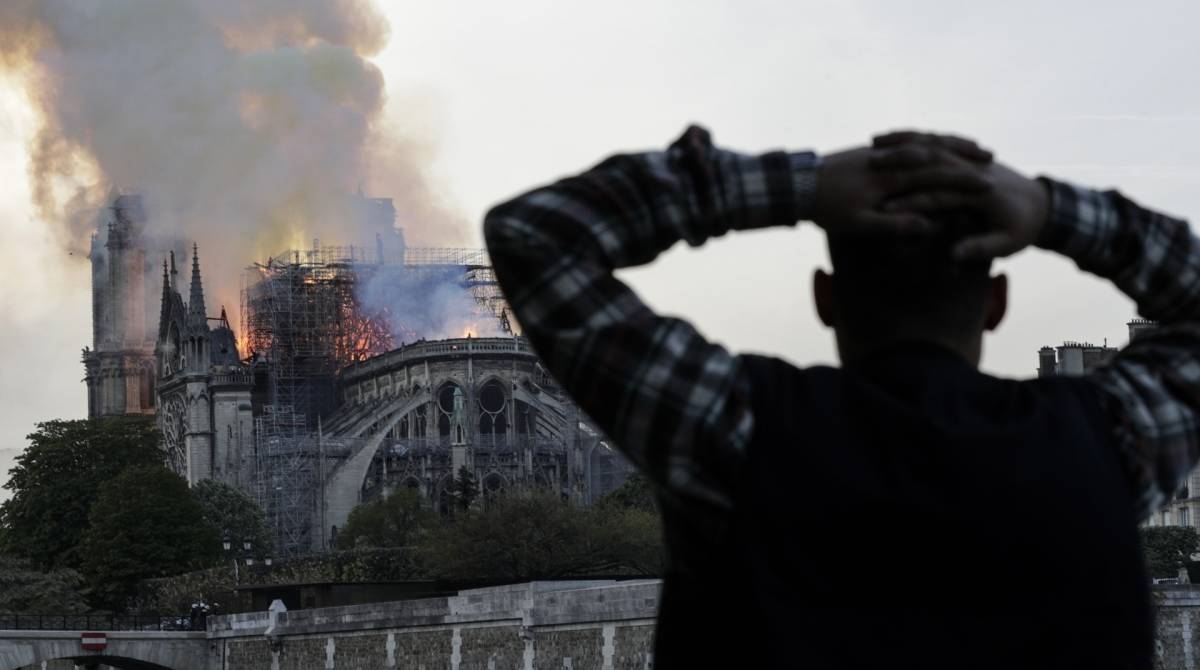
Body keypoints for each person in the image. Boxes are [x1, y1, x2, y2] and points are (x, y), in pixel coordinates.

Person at [483, 126, 1199, 668]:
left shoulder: (734, 428)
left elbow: (536, 233)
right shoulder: (1109, 444)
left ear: (825, 298)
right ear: (997, 303)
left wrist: (801, 185)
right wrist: (1048, 210)